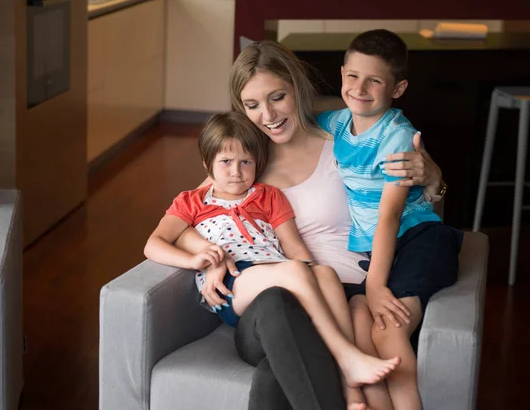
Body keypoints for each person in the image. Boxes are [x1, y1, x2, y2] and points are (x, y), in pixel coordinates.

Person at [175, 39, 446, 410]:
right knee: (277, 305)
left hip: (344, 291)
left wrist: (434, 179)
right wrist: (210, 253)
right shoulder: (244, 162)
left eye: (277, 98)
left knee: (283, 367)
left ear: (297, 89)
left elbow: (411, 213)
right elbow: (185, 216)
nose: (268, 115)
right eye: (252, 105)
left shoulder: (345, 138)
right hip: (273, 304)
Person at [144, 111, 401, 395]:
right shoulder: (192, 201)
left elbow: (294, 248)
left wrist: (313, 276)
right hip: (233, 282)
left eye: (246, 162)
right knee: (295, 270)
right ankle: (346, 356)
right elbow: (154, 243)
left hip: (277, 271)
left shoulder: (268, 195)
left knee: (325, 273)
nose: (236, 171)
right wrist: (194, 259)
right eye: (226, 162)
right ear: (208, 164)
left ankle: (350, 387)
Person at [316, 29, 463, 410]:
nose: (359, 88)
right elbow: (293, 127)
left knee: (390, 330)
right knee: (360, 317)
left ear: (397, 89)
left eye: (374, 80)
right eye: (353, 76)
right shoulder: (334, 124)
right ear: (342, 72)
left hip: (419, 239)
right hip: (384, 248)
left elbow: (390, 216)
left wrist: (377, 284)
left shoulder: (397, 137)